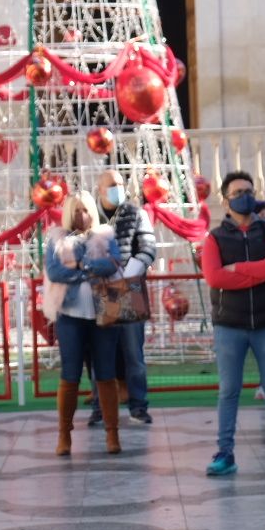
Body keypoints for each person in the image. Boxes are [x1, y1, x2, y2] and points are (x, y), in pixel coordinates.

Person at [199, 170, 265, 476]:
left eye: (249, 191)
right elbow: (215, 277)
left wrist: (238, 269)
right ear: (226, 200)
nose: (245, 196)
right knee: (228, 390)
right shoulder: (215, 238)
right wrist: (260, 270)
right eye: (238, 192)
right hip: (229, 325)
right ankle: (225, 453)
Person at [42, 190, 123, 455]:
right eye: (76, 210)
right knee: (70, 376)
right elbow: (55, 271)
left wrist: (81, 266)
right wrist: (87, 271)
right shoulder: (57, 239)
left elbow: (112, 264)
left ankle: (112, 434)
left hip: (103, 316)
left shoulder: (106, 236)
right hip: (70, 318)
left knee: (106, 374)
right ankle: (64, 435)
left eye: (86, 210)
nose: (82, 215)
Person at [96, 168, 157, 425]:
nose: (118, 188)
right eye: (112, 184)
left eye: (121, 183)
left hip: (130, 289)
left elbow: (147, 247)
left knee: (134, 353)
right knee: (101, 354)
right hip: (99, 291)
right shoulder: (90, 214)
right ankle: (100, 408)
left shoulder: (136, 213)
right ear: (100, 189)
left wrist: (129, 273)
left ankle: (138, 406)